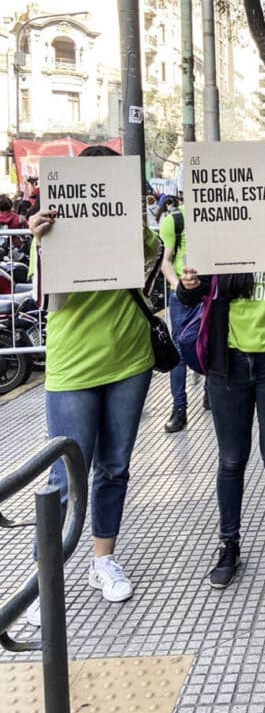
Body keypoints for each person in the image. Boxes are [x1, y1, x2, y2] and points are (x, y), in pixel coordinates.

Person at [26, 144, 158, 626]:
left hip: (128, 359)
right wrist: (39, 240)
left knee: (114, 468)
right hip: (73, 366)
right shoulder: (51, 227)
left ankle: (103, 559)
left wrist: (133, 216)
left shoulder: (135, 230)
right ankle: (46, 579)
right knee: (64, 477)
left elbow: (149, 259)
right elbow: (46, 296)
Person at [177, 171, 265, 589]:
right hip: (229, 367)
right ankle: (229, 545)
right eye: (262, 196)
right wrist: (188, 285)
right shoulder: (222, 245)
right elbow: (190, 298)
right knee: (232, 459)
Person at [159, 198, 205, 433]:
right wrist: (180, 287)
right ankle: (179, 407)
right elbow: (166, 261)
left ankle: (210, 393)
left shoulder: (218, 215)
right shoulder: (175, 220)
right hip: (181, 295)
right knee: (178, 351)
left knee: (213, 341)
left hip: (210, 291)